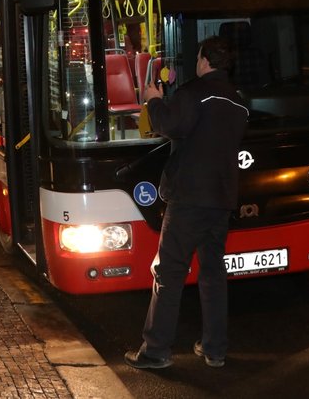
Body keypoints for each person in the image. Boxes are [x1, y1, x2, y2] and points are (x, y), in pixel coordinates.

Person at [125, 36, 249, 371]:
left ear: (205, 61)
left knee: (169, 273)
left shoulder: (194, 93)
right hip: (221, 200)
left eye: (198, 57)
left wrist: (153, 101)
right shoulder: (238, 102)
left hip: (189, 199)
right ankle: (215, 349)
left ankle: (156, 350)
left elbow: (170, 126)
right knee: (212, 272)